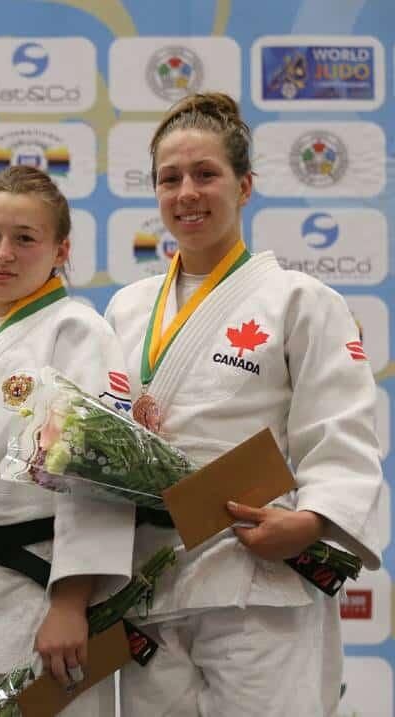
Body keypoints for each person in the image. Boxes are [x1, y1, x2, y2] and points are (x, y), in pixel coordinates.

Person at [105, 92, 383, 716]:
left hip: (257, 578)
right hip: (152, 584)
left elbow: (340, 432)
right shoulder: (126, 308)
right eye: (169, 179)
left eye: (206, 174)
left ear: (246, 185)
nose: (187, 193)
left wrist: (312, 523)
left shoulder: (299, 300)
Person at [0, 165, 135, 716]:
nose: (3, 254)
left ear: (61, 250)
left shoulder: (76, 331)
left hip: (37, 597)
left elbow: (98, 476)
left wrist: (70, 601)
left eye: (25, 239)